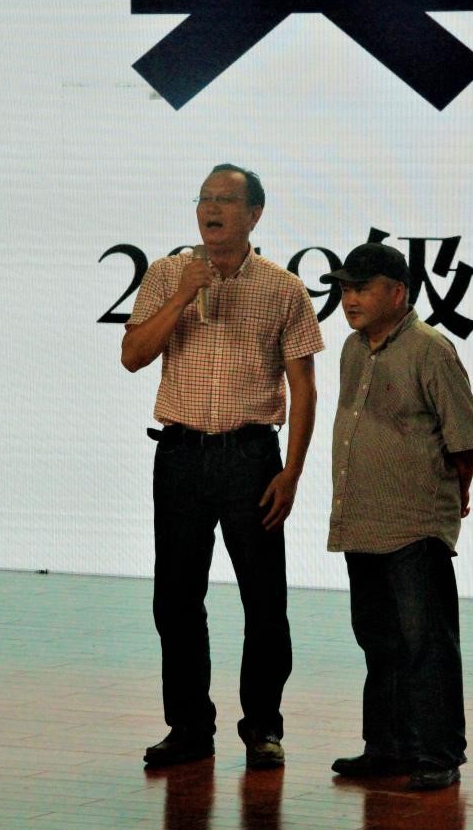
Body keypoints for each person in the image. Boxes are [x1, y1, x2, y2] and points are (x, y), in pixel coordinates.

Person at [121, 164, 324, 770]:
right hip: (180, 454)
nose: (211, 209)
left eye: (225, 200)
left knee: (264, 601)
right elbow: (133, 355)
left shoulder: (284, 288)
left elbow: (304, 387)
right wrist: (183, 295)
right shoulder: (166, 275)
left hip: (251, 457)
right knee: (176, 599)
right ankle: (188, 727)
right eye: (204, 198)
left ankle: (262, 727)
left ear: (254, 214)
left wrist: (292, 471)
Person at [321, 243, 473, 791]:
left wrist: (451, 496)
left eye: (361, 288)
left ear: (397, 292)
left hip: (414, 522)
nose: (349, 299)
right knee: (379, 641)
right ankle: (387, 748)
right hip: (362, 519)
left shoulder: (430, 349)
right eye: (345, 289)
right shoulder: (351, 348)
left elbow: (465, 438)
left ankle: (438, 753)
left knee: (426, 643)